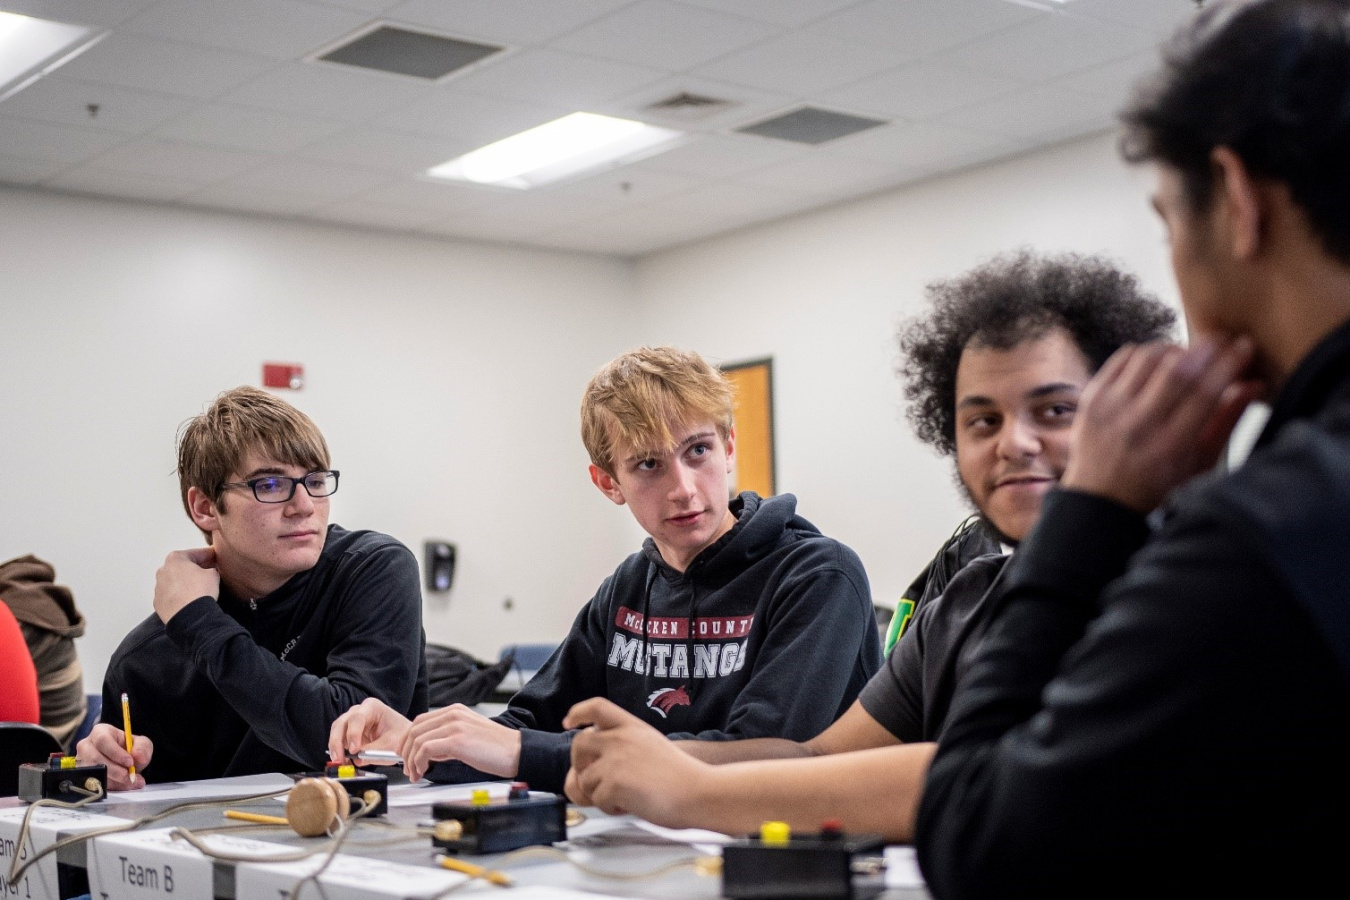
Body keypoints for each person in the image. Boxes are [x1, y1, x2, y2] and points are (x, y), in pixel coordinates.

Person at [915, 2, 1350, 895]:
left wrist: (1090, 519)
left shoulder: (1266, 529)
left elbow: (980, 836)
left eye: (1167, 222)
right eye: (982, 418)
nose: (1015, 446)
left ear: (1234, 199)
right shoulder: (956, 592)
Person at [562, 254, 1175, 837]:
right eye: (983, 421)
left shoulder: (1186, 587)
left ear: (1118, 412)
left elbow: (998, 782)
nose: (1014, 443)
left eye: (1054, 411)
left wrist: (687, 788)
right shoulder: (960, 605)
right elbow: (813, 759)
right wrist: (652, 764)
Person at [330, 346, 881, 793]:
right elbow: (531, 725)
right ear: (608, 483)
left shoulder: (819, 575)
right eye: (649, 464)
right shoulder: (627, 587)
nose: (684, 487)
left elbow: (766, 754)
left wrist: (523, 752)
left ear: (729, 447)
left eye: (698, 451)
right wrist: (417, 741)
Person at [77, 387, 428, 789]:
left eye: (315, 480)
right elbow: (134, 797)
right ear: (205, 507)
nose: (304, 506)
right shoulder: (144, 660)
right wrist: (106, 766)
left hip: (366, 839)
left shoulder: (372, 570)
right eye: (272, 485)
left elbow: (353, 741)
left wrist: (201, 626)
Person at [1, 554, 88, 751]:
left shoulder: (14, 620)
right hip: (59, 734)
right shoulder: (21, 602)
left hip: (46, 751)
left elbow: (14, 744)